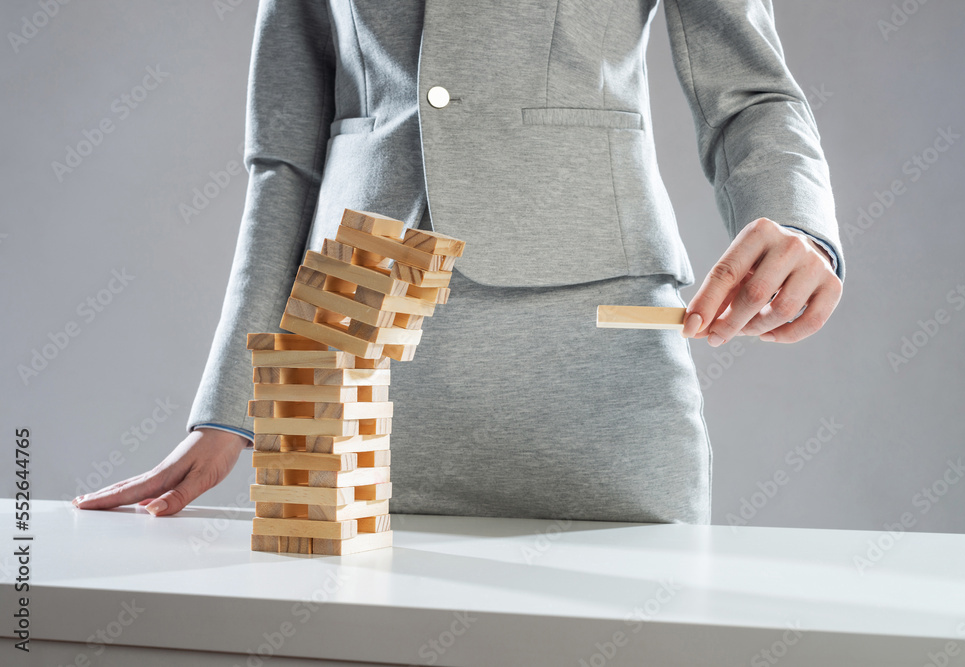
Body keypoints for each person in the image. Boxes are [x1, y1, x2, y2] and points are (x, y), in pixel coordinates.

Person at [73, 1, 843, 523]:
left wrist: (803, 228)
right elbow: (287, 155)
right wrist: (230, 400)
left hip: (592, 367)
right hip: (342, 341)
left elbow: (752, 93)